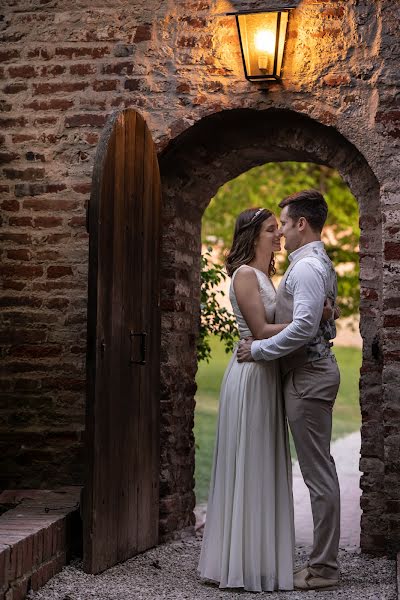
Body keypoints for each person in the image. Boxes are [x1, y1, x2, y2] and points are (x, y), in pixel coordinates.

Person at [237, 189, 341, 592]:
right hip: (307, 374)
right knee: (320, 472)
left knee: (318, 475)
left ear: (302, 224)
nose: (280, 229)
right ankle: (322, 563)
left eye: (283, 222)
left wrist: (259, 349)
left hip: (309, 376)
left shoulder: (307, 268)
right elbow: (318, 317)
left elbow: (303, 328)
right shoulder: (310, 265)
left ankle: (324, 569)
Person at [198, 207, 295, 592]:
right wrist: (311, 321)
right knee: (250, 460)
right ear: (253, 235)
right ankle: (238, 563)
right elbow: (259, 329)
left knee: (265, 460)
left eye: (278, 229)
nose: (278, 235)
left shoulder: (265, 276)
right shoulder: (243, 275)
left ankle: (259, 557)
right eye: (272, 230)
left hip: (265, 370)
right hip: (251, 375)